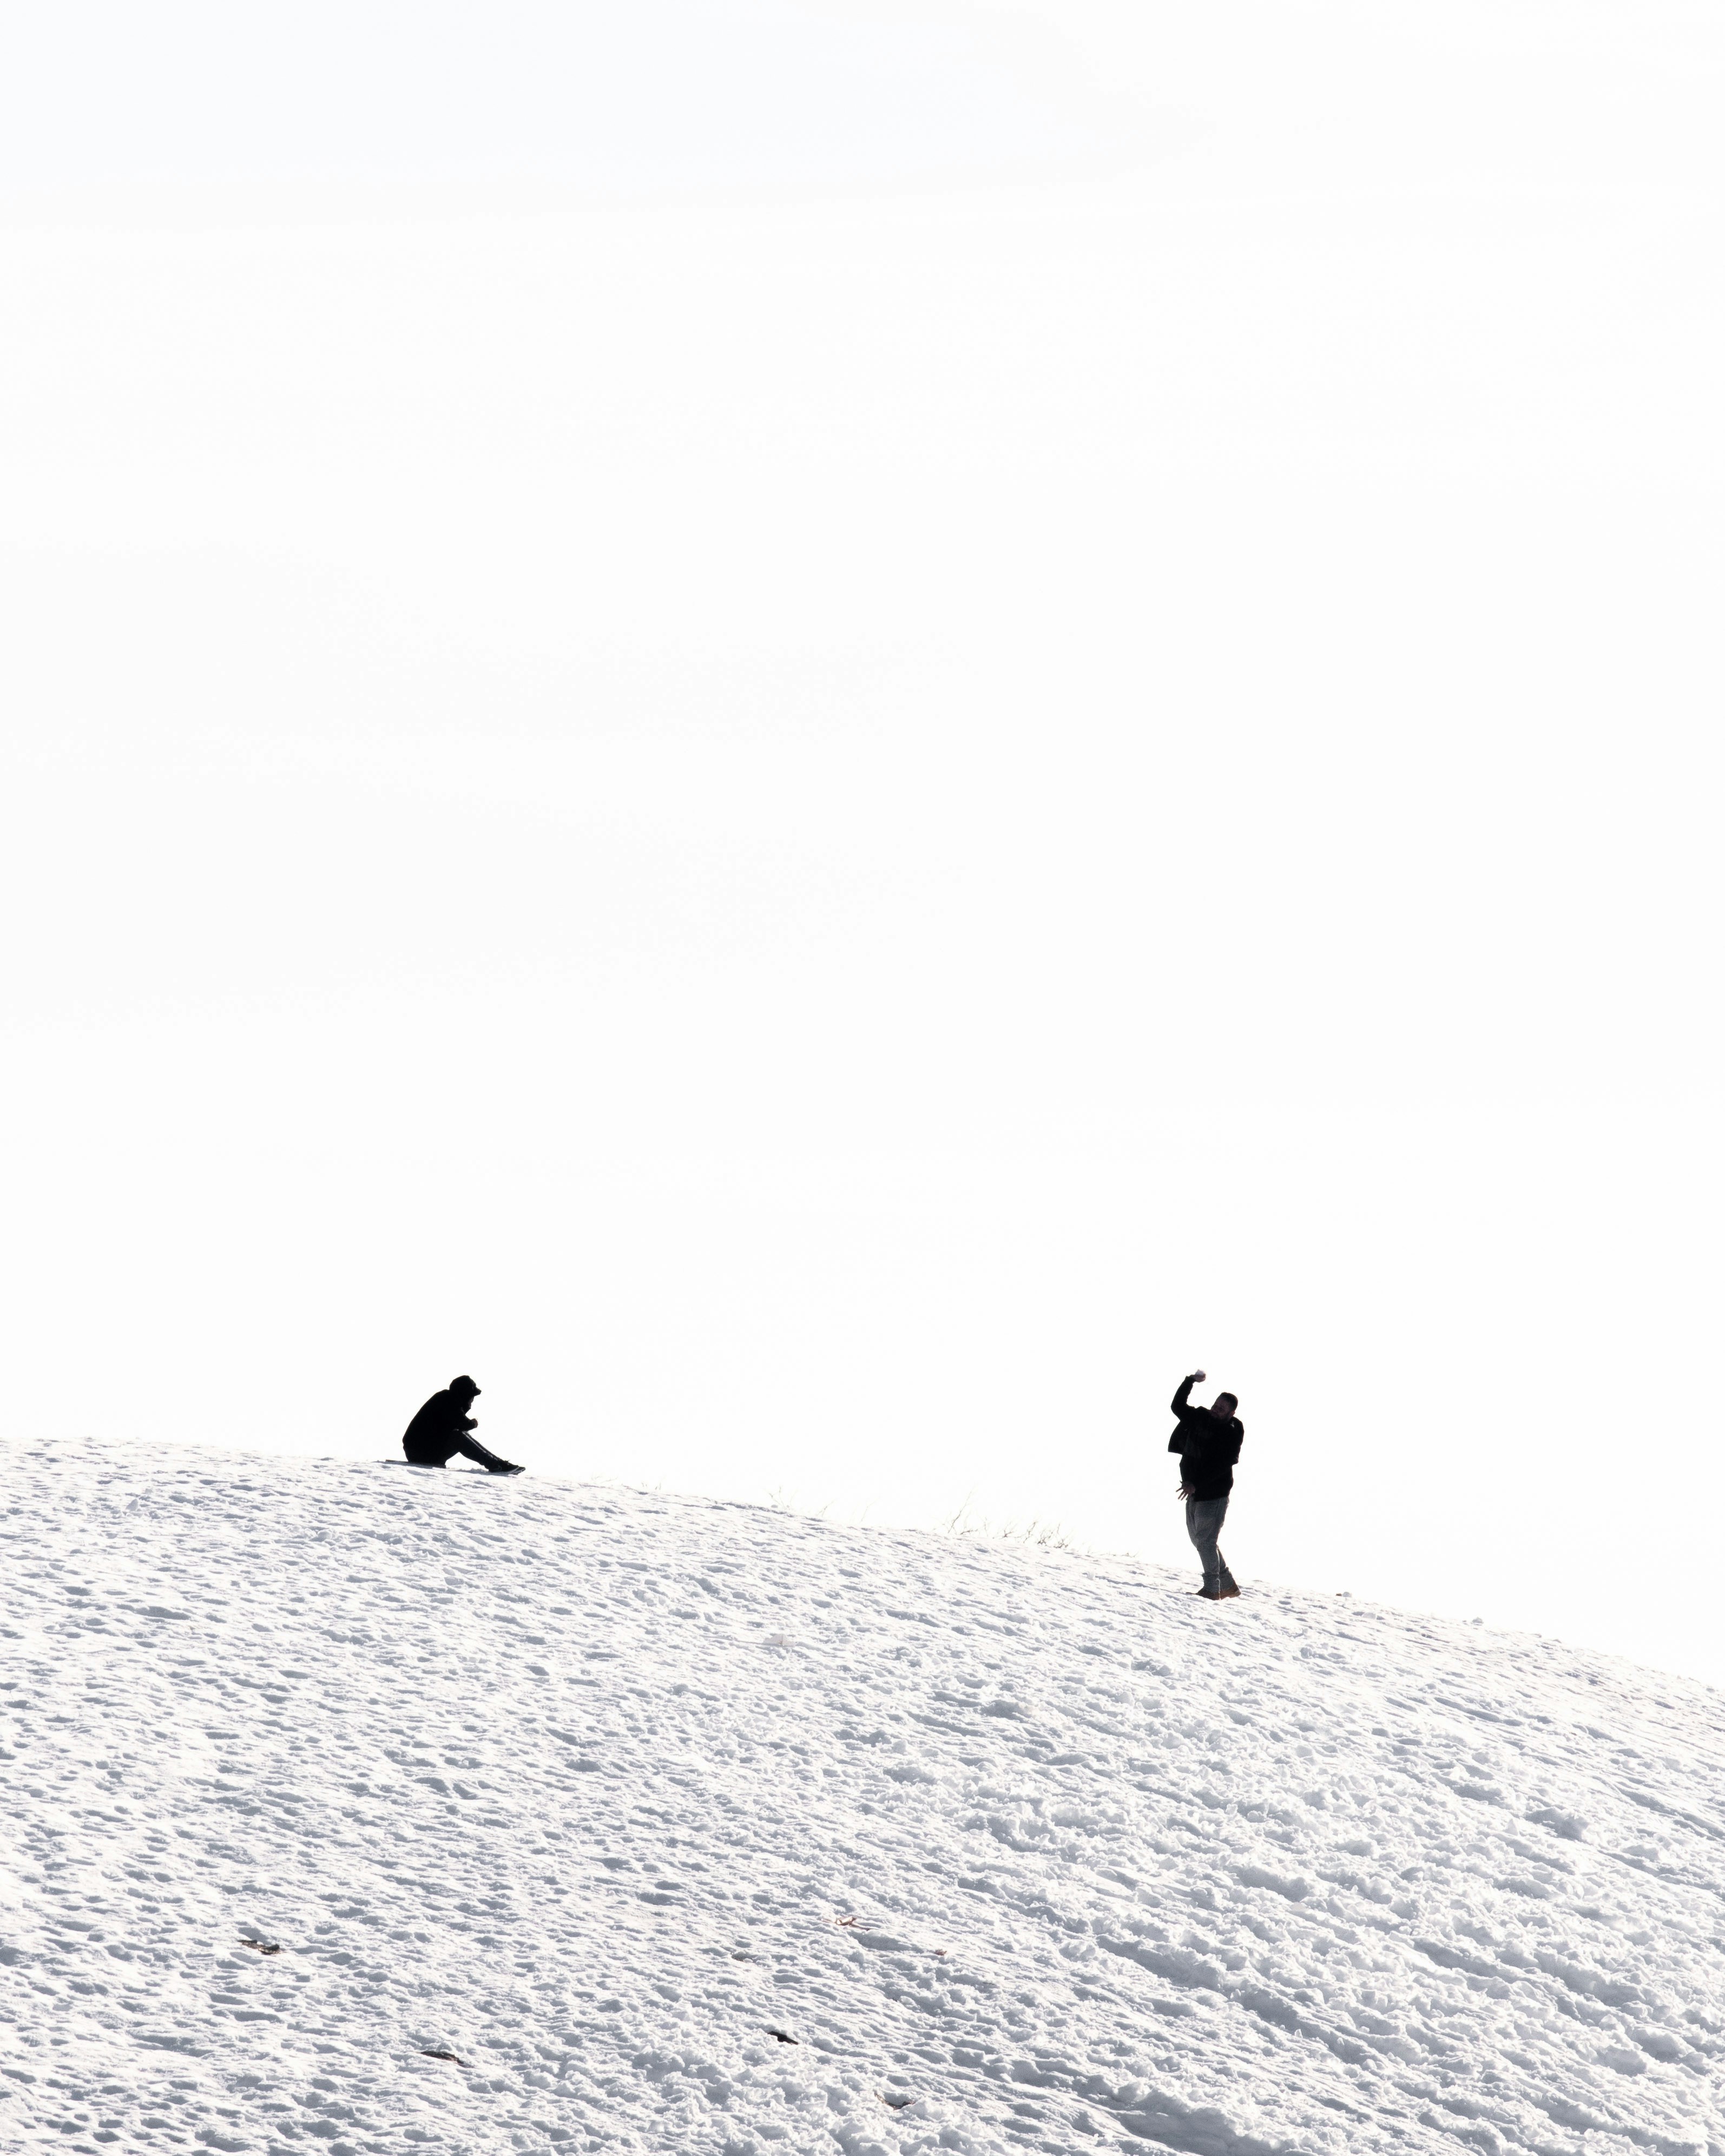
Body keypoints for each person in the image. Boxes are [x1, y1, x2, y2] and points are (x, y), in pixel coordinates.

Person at [1168, 1368, 1241, 1599]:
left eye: (1222, 1409)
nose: (1216, 1410)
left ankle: (1212, 1589)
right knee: (1199, 1540)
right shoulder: (1201, 1417)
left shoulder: (1232, 1431)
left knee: (1206, 1541)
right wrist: (1190, 1381)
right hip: (1193, 1490)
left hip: (1214, 1494)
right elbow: (1177, 1406)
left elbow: (1222, 1464)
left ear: (1231, 1414)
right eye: (1216, 1405)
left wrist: (1196, 1484)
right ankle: (1228, 1585)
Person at [401, 1375, 524, 1474]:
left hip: (422, 1451)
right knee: (458, 1437)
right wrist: (473, 1423)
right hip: (420, 1453)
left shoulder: (447, 1399)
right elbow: (464, 1423)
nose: (473, 1400)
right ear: (465, 1395)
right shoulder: (448, 1400)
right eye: (472, 1397)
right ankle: (496, 1465)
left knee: (460, 1434)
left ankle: (498, 1463)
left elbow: (457, 1423)